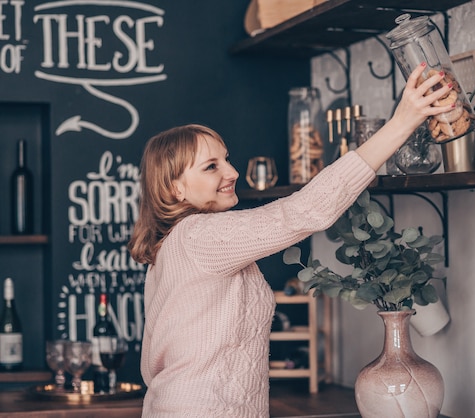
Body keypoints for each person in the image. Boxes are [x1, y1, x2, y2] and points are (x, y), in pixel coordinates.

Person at [128, 64, 454, 417]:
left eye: (226, 159)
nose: (232, 172)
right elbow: (304, 211)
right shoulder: (198, 236)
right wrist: (403, 122)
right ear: (174, 188)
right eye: (211, 167)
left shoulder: (177, 245)